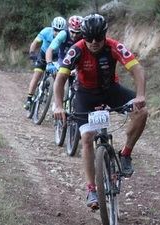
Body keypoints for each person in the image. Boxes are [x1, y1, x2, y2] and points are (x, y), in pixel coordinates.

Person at [52, 14, 148, 209]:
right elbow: (60, 79)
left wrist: (140, 95)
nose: (94, 42)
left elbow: (137, 69)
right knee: (86, 138)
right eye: (89, 38)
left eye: (98, 38)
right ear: (83, 37)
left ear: (104, 35)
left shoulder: (113, 46)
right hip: (86, 96)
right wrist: (59, 105)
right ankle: (91, 189)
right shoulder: (76, 50)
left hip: (111, 91)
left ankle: (126, 153)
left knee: (142, 112)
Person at [25, 16, 67, 111]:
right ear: (52, 28)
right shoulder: (46, 31)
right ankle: (29, 98)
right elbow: (35, 43)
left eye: (60, 31)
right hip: (43, 54)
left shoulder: (65, 35)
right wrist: (32, 53)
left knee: (58, 79)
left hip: (57, 57)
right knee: (37, 74)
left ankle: (58, 103)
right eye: (55, 30)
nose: (57, 33)